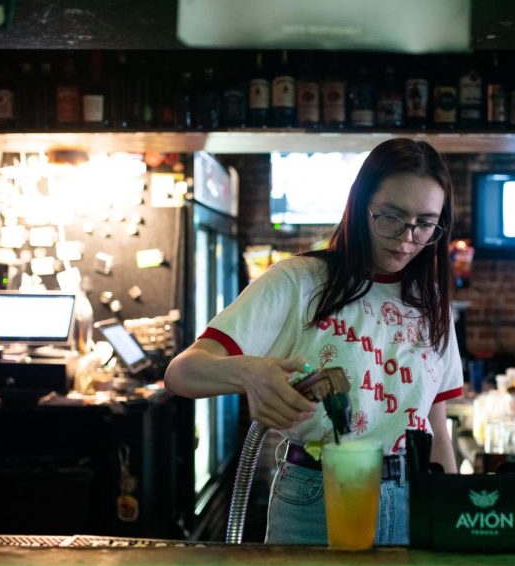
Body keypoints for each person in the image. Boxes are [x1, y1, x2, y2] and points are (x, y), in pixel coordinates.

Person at [164, 138, 463, 545]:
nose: (407, 238)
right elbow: (182, 373)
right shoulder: (300, 281)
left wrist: (450, 516)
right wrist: (249, 373)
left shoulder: (429, 303)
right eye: (391, 217)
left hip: (413, 494)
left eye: (425, 223)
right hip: (315, 495)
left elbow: (437, 431)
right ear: (360, 206)